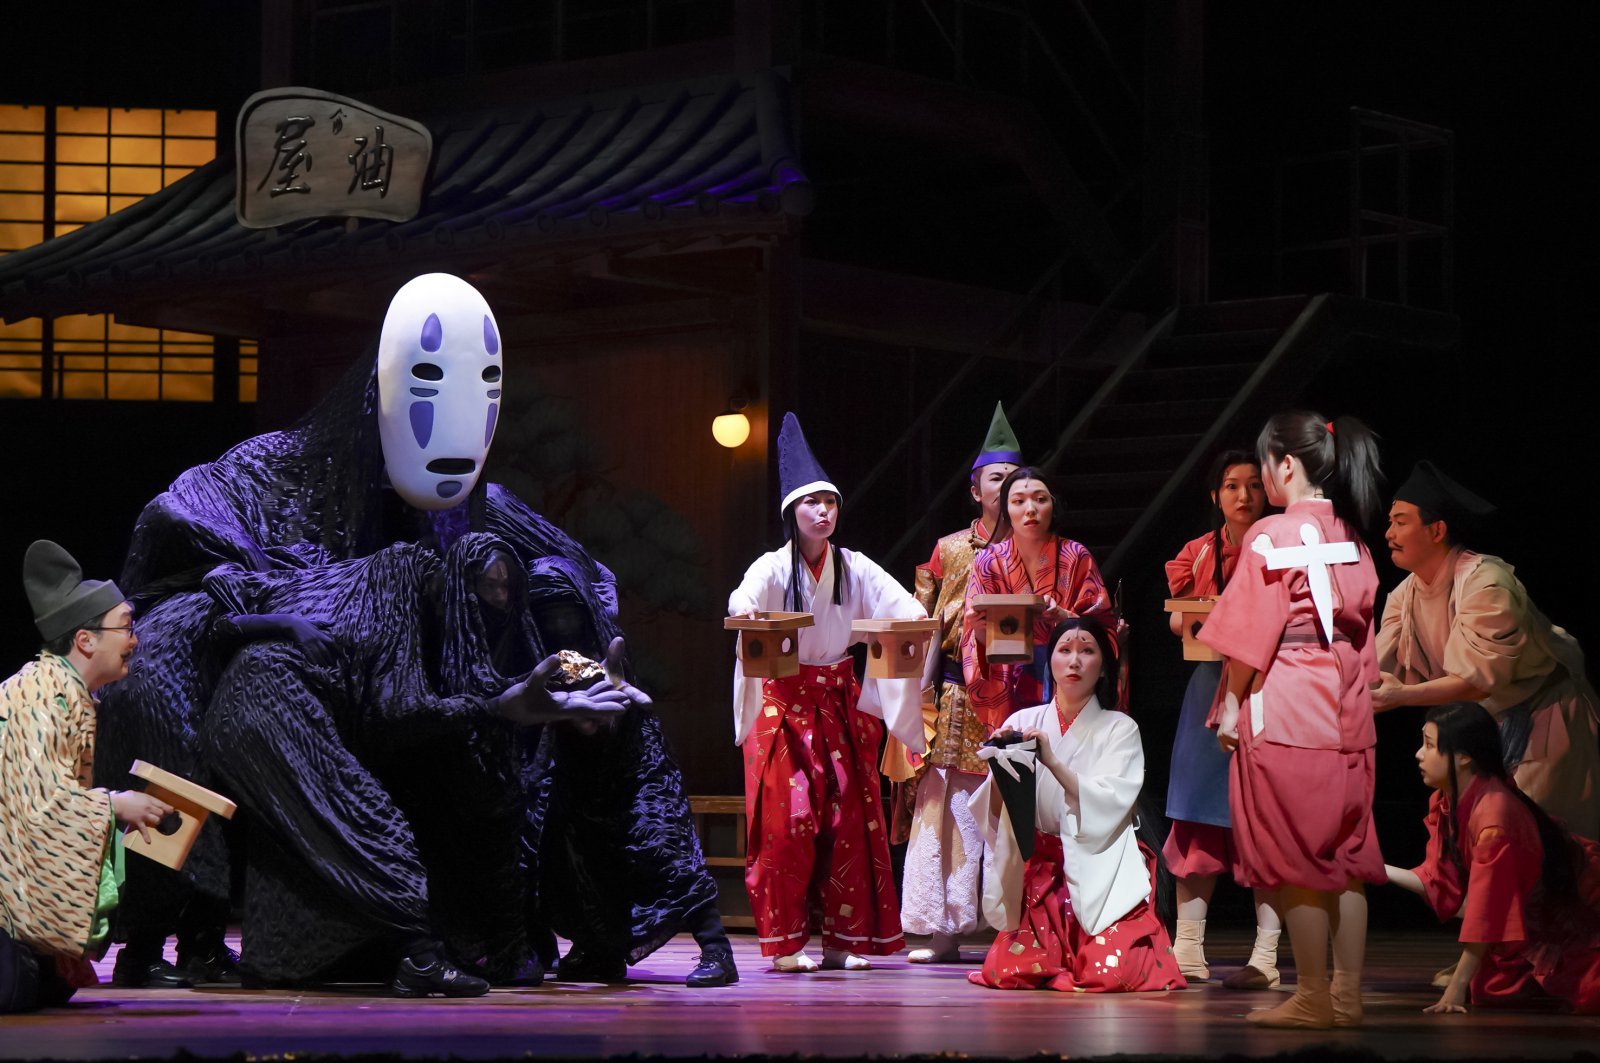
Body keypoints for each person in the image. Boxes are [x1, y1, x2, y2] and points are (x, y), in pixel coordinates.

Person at [1198, 411, 1386, 1029]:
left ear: (1284, 464)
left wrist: (1230, 705)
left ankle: (1311, 996)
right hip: (1347, 703)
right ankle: (1346, 997)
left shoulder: (1271, 534)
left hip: (1288, 702)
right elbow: (1364, 635)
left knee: (1300, 856)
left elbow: (1249, 633)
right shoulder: (1355, 539)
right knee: (1347, 857)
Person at [728, 413, 928, 972]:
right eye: (812, 503)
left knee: (848, 823)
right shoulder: (773, 566)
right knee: (787, 823)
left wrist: (915, 617)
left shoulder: (855, 567)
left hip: (838, 699)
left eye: (831, 503)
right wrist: (747, 613)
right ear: (792, 511)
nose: (824, 511)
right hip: (783, 703)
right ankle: (786, 944)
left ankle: (844, 940)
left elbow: (901, 605)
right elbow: (742, 599)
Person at [1373, 460, 1600, 841]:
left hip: (1542, 717)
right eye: (1390, 522)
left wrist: (1401, 696)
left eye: (1400, 522)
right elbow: (1375, 671)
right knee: (1481, 834)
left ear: (1437, 530)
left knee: (1544, 838)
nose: (1388, 533)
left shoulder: (1486, 583)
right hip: (1481, 729)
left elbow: (1477, 682)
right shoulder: (1404, 595)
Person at [966, 616, 1185, 992]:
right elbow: (998, 811)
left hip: (1103, 864)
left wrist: (1051, 761)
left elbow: (1111, 800)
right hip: (1043, 874)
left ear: (1104, 667)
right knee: (1007, 973)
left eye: (1087, 651)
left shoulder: (1120, 728)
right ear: (1050, 660)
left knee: (1110, 975)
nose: (1075, 661)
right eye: (1064, 650)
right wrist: (1002, 766)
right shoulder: (1024, 720)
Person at [1, 541, 171, 1013]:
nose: (134, 640)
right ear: (86, 640)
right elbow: (40, 808)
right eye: (126, 626)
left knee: (51, 985)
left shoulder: (67, 697)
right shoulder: (39, 698)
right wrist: (115, 805)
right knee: (17, 988)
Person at [894, 402, 1020, 964]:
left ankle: (1013, 928)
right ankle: (942, 926)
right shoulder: (949, 550)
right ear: (975, 490)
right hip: (956, 694)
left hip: (1017, 691)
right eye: (997, 478)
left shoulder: (1039, 550)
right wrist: (912, 699)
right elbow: (921, 623)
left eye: (1016, 477)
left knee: (1010, 808)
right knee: (947, 806)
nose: (1008, 487)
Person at [1385, 703, 1600, 1014]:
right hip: (1530, 917)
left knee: (1585, 989)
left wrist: (1457, 987)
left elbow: (1488, 909)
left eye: (1429, 745)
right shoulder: (1452, 798)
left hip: (1575, 911)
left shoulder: (1494, 819)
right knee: (1490, 986)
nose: (1419, 754)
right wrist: (1374, 868)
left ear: (1463, 757)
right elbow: (1440, 880)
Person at [1162, 451, 1282, 988]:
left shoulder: (1282, 545)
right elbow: (1178, 620)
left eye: (1254, 485)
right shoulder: (1198, 552)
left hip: (1269, 686)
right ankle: (1188, 947)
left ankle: (1267, 954)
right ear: (1216, 495)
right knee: (1198, 816)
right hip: (1209, 685)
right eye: (1232, 486)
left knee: (1270, 819)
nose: (1243, 495)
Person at [962, 467, 1111, 732]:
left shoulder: (1076, 556)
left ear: (1053, 505)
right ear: (1006, 510)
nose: (1030, 509)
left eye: (1040, 499)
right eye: (1018, 501)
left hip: (1067, 674)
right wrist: (981, 632)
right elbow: (974, 643)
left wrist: (1065, 618)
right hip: (1010, 681)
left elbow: (1104, 627)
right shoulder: (988, 562)